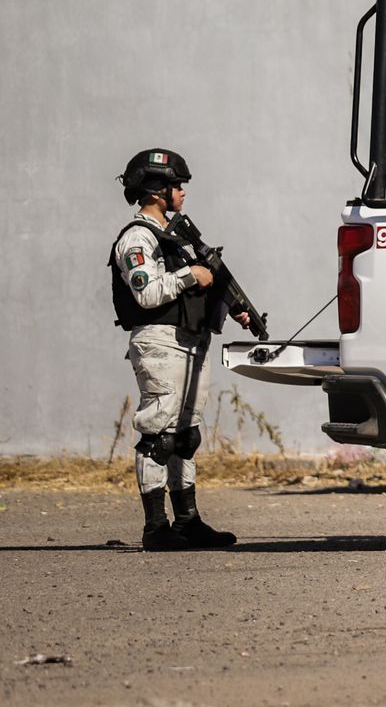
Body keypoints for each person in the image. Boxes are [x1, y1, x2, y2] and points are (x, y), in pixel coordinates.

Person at [110, 149, 247, 551]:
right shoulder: (138, 238)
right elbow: (149, 292)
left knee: (185, 436)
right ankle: (156, 528)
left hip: (189, 342)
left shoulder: (175, 236)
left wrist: (230, 306)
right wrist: (192, 275)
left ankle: (188, 522)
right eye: (176, 185)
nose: (183, 192)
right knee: (159, 435)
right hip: (160, 341)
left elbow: (198, 285)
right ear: (156, 191)